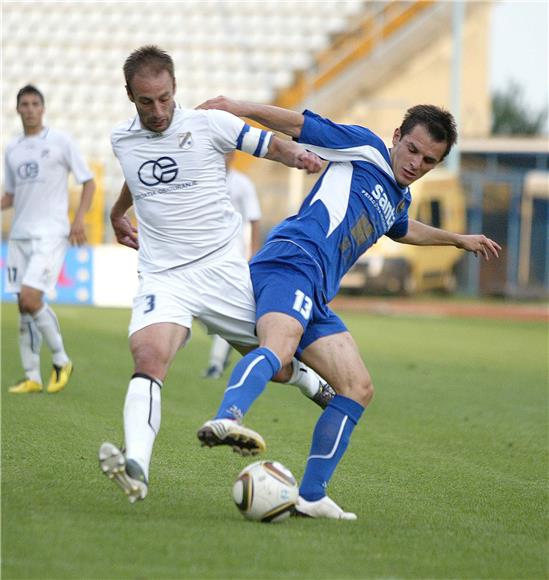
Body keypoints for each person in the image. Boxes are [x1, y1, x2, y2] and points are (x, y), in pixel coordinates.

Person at [196, 96, 502, 520]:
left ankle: (312, 495)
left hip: (317, 288)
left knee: (357, 387)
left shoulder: (397, 198)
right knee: (280, 346)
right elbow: (299, 124)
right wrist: (234, 106)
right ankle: (226, 416)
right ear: (396, 138)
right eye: (412, 149)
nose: (416, 163)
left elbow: (402, 228)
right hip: (293, 259)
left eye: (429, 160)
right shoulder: (364, 147)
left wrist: (457, 239)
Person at [98, 46, 335, 503]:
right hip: (164, 275)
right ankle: (137, 467)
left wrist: (299, 158)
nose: (158, 111)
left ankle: (310, 380)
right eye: (146, 102)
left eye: (165, 98)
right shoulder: (121, 139)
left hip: (221, 270)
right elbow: (139, 175)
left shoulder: (209, 123)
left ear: (175, 89)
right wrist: (117, 212)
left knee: (277, 362)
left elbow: (267, 145)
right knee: (148, 356)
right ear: (129, 95)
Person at [2, 84, 96, 394]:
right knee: (23, 307)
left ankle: (61, 359)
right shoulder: (12, 149)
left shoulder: (60, 142)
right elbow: (11, 195)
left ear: (42, 108)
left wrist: (78, 219)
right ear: (17, 109)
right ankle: (32, 376)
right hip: (20, 235)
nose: (29, 109)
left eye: (34, 103)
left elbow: (89, 182)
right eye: (24, 104)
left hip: (51, 233)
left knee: (32, 299)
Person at [203, 152, 262, 379]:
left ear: (232, 155)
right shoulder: (203, 179)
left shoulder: (242, 183)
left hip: (233, 256)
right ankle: (227, 342)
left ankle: (216, 363)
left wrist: (253, 252)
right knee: (206, 309)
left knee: (224, 305)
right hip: (205, 255)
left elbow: (254, 219)